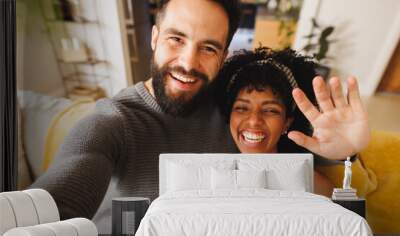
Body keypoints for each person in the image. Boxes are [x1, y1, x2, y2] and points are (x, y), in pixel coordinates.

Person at [32, 0, 366, 222]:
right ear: (154, 37)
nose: (189, 63)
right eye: (176, 39)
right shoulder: (112, 122)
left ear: (223, 56)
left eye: (208, 48)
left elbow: (314, 171)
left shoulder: (234, 107)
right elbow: (57, 201)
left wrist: (347, 152)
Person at [214, 47, 370, 196]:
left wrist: (348, 156)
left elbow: (348, 220)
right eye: (242, 108)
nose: (254, 121)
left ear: (287, 123)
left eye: (270, 110)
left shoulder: (309, 183)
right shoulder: (212, 175)